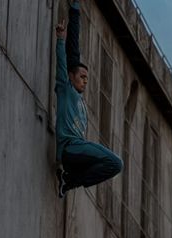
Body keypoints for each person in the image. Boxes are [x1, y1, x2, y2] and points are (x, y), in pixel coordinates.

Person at [55, 2, 123, 196]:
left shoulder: (81, 104)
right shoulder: (65, 89)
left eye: (87, 78)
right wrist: (61, 39)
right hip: (69, 148)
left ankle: (68, 182)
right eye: (82, 77)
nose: (85, 81)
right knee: (116, 163)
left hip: (75, 156)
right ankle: (70, 179)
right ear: (71, 77)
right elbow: (68, 57)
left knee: (112, 166)